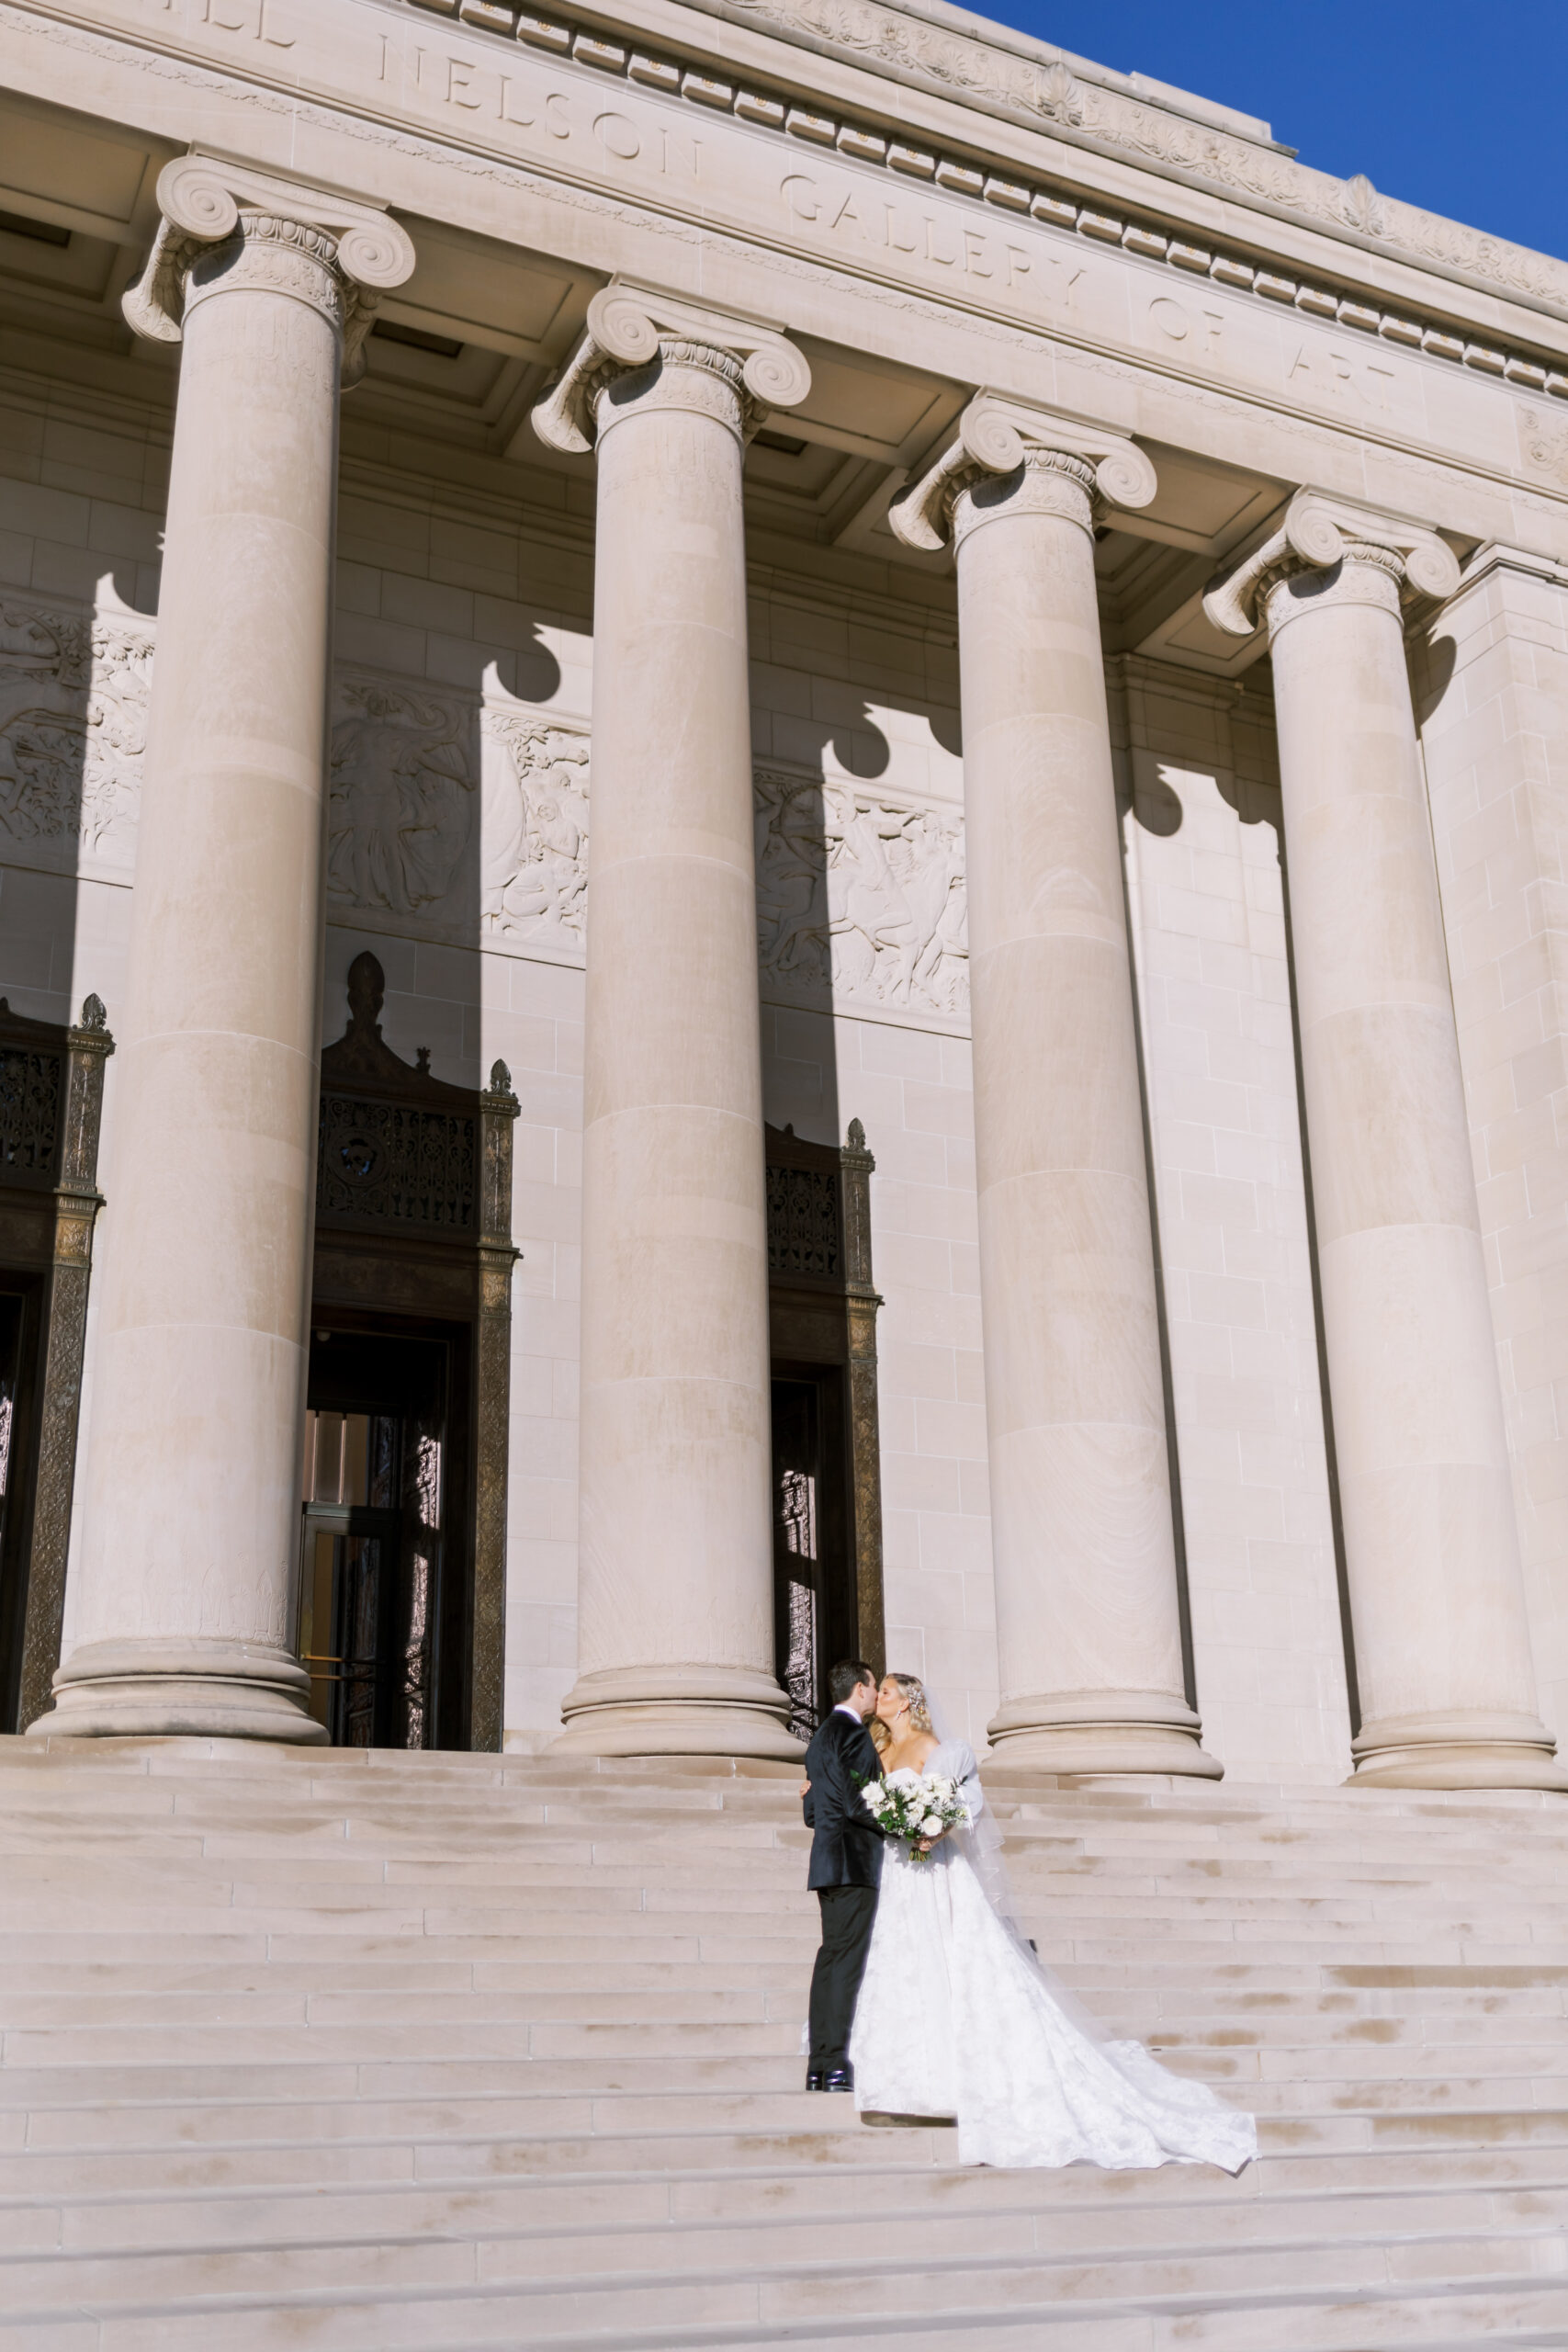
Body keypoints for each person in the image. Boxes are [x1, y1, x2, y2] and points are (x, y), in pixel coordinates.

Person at [848, 1672, 1258, 2174]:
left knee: (952, 1968)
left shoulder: (937, 1748)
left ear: (908, 1701)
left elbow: (959, 1805)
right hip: (893, 1873)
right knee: (904, 1967)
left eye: (886, 1690)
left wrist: (933, 1827)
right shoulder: (878, 1751)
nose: (878, 1697)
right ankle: (903, 2078)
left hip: (931, 1870)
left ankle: (956, 2081)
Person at [801, 1659, 886, 2092]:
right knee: (845, 1965)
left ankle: (819, 2065)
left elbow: (813, 1811)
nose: (875, 1694)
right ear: (858, 1688)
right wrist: (900, 1821)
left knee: (829, 1961)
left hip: (826, 1863)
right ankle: (835, 2065)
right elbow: (858, 1804)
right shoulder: (854, 1735)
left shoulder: (817, 1739)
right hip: (854, 1863)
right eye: (873, 1687)